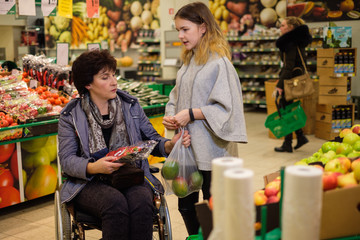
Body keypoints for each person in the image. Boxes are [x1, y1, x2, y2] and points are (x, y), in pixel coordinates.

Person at [58, 50, 190, 240]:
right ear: (88, 83)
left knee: (142, 202)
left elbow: (152, 140)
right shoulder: (70, 115)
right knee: (115, 204)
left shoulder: (129, 105)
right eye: (105, 77)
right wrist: (95, 167)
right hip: (89, 182)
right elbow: (67, 160)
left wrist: (170, 145)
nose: (114, 81)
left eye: (113, 74)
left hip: (129, 175)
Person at [162, 2, 248, 236]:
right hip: (187, 148)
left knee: (213, 205)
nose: (180, 35)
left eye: (185, 29)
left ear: (203, 27)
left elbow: (228, 108)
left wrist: (190, 114)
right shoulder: (188, 62)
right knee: (186, 204)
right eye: (178, 29)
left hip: (213, 151)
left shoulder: (219, 63)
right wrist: (171, 116)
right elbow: (176, 95)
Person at [274, 16, 312, 153]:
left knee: (285, 110)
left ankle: (289, 142)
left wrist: (280, 85)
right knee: (287, 110)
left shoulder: (289, 43)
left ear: (290, 28)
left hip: (289, 81)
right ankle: (297, 138)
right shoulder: (297, 41)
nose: (280, 27)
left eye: (283, 25)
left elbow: (288, 66)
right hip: (293, 80)